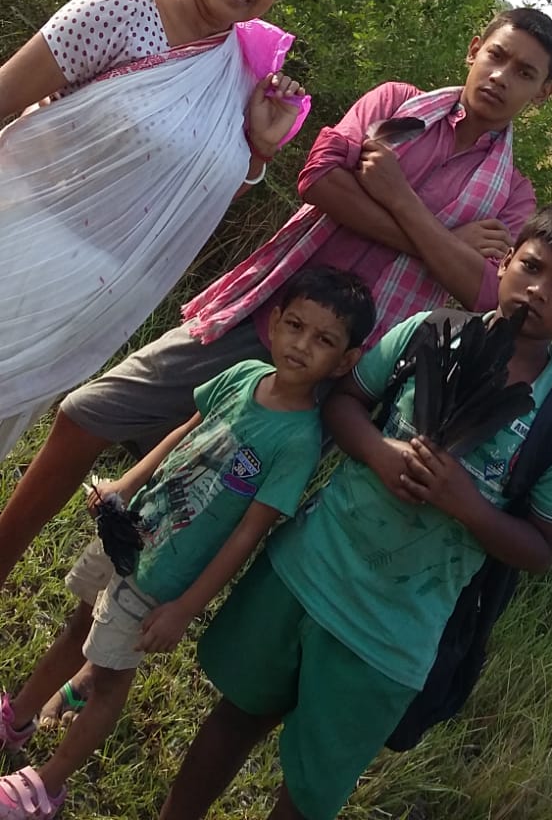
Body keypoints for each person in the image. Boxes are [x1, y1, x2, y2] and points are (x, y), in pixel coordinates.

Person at [0, 7, 552, 595]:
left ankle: (91, 644)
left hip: (339, 367)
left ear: (542, 93)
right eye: (497, 55)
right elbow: (319, 179)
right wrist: (445, 242)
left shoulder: (513, 195)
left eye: (524, 73)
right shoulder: (399, 105)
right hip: (268, 309)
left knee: (197, 510)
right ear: (474, 49)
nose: (501, 76)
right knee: (89, 414)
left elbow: (484, 291)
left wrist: (398, 196)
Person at [157, 202, 552, 820]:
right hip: (306, 570)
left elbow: (541, 547)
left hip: (388, 635)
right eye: (531, 267)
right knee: (235, 717)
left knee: (310, 791)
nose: (538, 291)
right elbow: (345, 402)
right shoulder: (431, 332)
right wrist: (379, 452)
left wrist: (465, 505)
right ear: (505, 261)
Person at [0, 267, 375, 820]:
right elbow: (187, 429)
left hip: (164, 576)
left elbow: (248, 534)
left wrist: (185, 608)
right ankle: (18, 718)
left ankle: (45, 787)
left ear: (345, 361)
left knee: (111, 679)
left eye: (324, 340)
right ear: (273, 322)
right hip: (130, 533)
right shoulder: (243, 373)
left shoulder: (298, 441)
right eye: (296, 325)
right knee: (80, 625)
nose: (301, 345)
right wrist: (126, 485)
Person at [0, 0, 315, 461]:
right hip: (19, 241)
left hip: (90, 295)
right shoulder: (121, 8)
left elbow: (194, 194)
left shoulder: (244, 72)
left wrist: (261, 148)